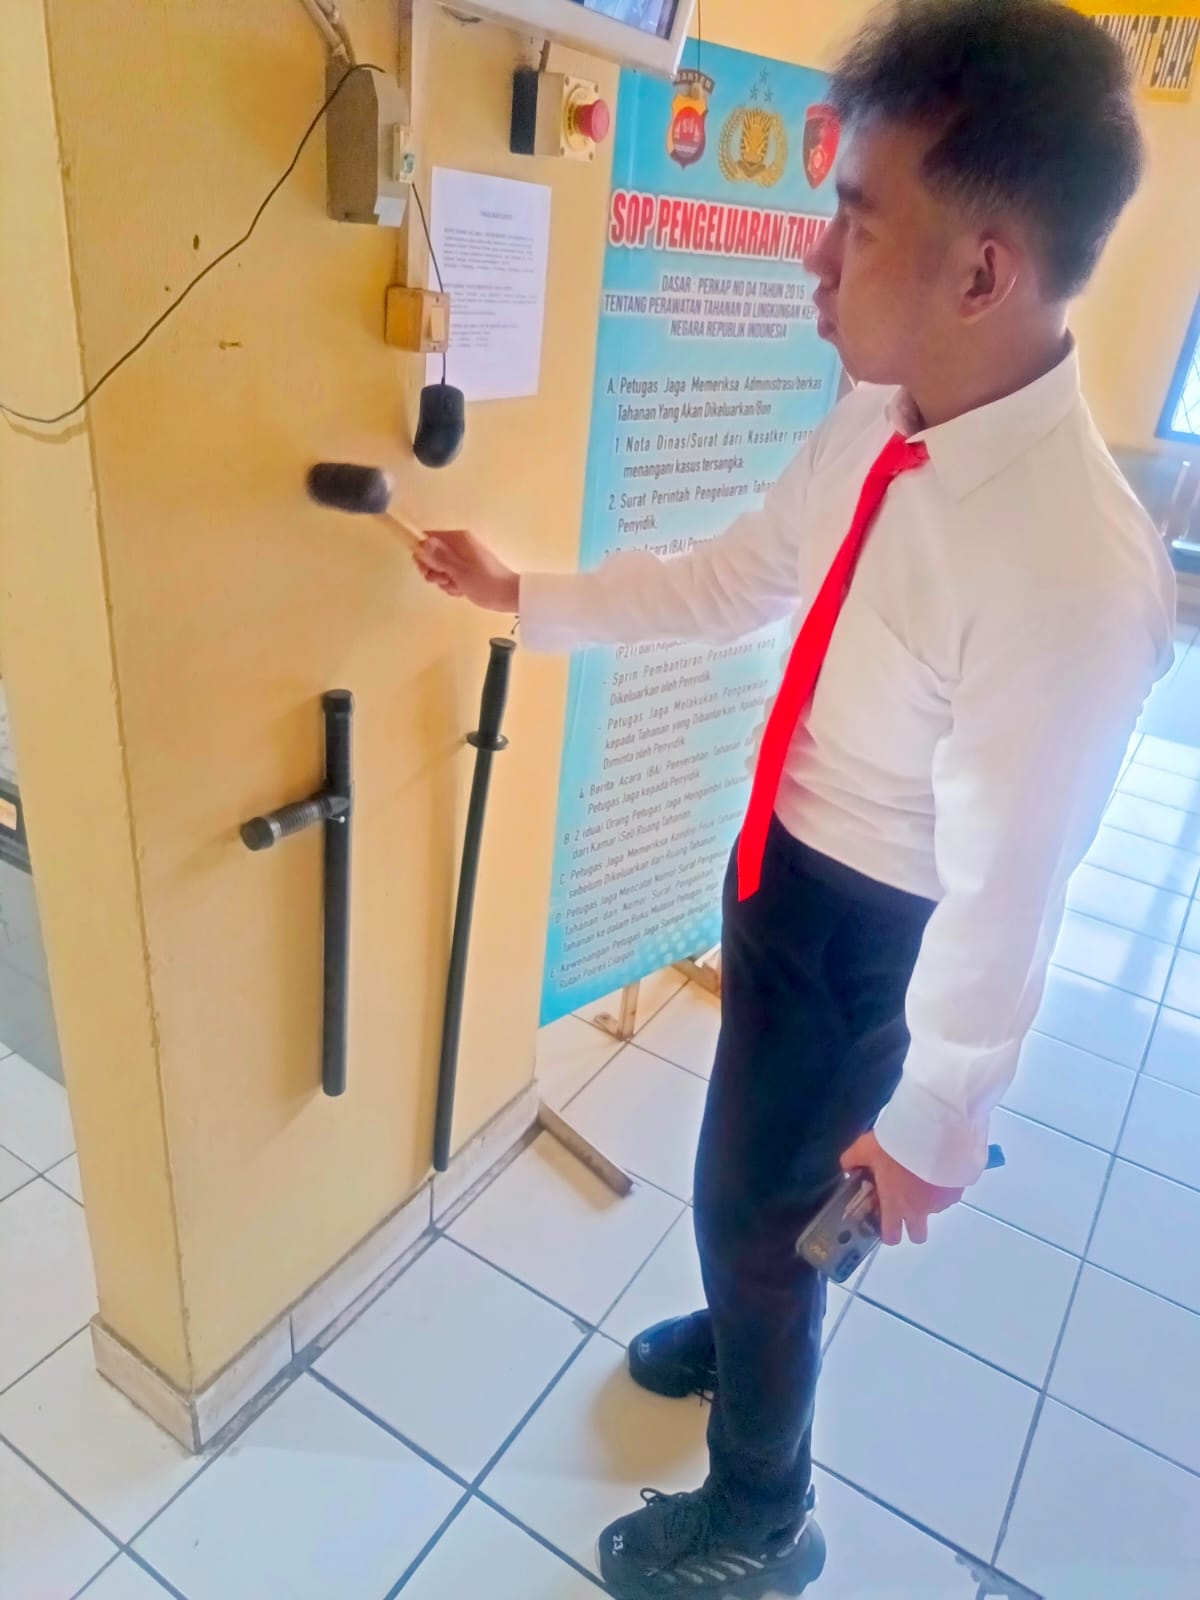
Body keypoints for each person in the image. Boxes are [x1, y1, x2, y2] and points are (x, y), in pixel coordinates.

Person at [416, 2, 1175, 1595]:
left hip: (880, 941)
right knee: (745, 1182)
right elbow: (737, 579)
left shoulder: (1072, 569)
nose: (813, 262)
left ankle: (763, 1512)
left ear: (983, 272)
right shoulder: (881, 423)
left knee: (769, 1206)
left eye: (854, 219)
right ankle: (746, 1295)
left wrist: (939, 1122)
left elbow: (1011, 892)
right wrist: (522, 594)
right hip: (785, 871)